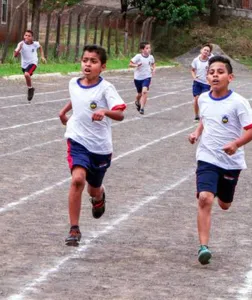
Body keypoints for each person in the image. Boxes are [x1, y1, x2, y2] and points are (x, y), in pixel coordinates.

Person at [188, 56, 252, 265]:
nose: (215, 75)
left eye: (220, 72)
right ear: (206, 76)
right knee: (205, 198)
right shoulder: (201, 99)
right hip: (207, 156)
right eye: (211, 72)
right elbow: (204, 120)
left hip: (231, 161)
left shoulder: (239, 103)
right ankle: (203, 247)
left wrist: (236, 144)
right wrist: (196, 132)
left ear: (230, 77)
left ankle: (219, 191)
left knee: (225, 204)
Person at [59, 45, 127, 246]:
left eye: (93, 61)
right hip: (77, 140)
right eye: (85, 60)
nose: (88, 64)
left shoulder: (106, 88)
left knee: (93, 189)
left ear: (102, 66)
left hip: (100, 147)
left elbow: (121, 113)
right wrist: (63, 112)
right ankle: (74, 228)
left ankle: (99, 198)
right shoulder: (73, 82)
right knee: (77, 180)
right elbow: (76, 98)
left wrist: (105, 112)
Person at [13, 29, 47, 101]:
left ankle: (30, 89)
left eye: (29, 36)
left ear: (32, 37)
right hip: (24, 65)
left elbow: (40, 47)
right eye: (26, 35)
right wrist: (19, 48)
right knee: (27, 74)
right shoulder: (20, 44)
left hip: (33, 62)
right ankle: (30, 87)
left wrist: (42, 56)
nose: (27, 37)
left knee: (26, 74)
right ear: (23, 36)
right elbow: (15, 55)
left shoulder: (35, 44)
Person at [129, 41, 156, 115]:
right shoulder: (138, 56)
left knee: (144, 91)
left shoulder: (151, 57)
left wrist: (154, 69)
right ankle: (137, 101)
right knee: (139, 94)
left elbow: (153, 64)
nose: (149, 49)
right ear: (142, 50)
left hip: (147, 77)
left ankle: (142, 108)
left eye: (149, 48)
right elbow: (130, 64)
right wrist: (137, 65)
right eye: (147, 48)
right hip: (137, 78)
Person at [191, 43, 213, 121]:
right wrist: (194, 77)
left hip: (206, 84)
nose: (206, 51)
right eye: (205, 50)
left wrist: (210, 80)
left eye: (208, 51)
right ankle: (197, 116)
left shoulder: (210, 62)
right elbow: (192, 70)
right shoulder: (196, 60)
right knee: (196, 98)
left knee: (203, 99)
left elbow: (213, 71)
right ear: (201, 50)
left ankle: (204, 115)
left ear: (209, 53)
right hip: (197, 82)